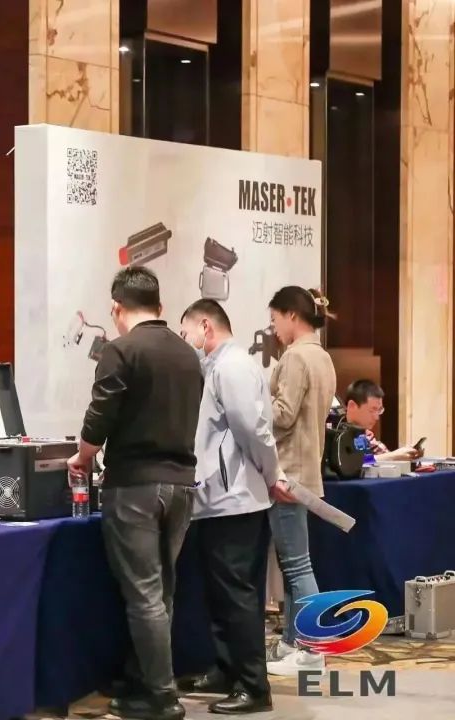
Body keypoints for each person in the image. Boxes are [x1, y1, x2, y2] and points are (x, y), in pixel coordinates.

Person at [67, 266, 202, 720]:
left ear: (116, 308)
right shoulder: (188, 355)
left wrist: (82, 457)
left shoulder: (120, 350)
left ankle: (161, 696)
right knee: (163, 591)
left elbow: (99, 418)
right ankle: (147, 682)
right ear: (160, 307)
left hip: (135, 486)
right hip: (182, 484)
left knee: (144, 592)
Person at [178, 299, 294, 714]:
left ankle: (253, 685)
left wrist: (271, 473)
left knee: (237, 594)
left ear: (205, 326)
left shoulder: (232, 366)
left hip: (236, 500)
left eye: (186, 332)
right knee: (220, 592)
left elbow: (252, 428)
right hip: (218, 499)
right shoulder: (217, 367)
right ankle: (227, 669)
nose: (185, 342)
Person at [265, 286, 336, 676]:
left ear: (291, 315)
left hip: (287, 473)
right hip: (306, 471)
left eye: (275, 319)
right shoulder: (321, 356)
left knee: (296, 566)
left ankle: (312, 649)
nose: (274, 328)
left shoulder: (294, 357)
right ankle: (294, 642)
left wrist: (252, 400)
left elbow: (283, 414)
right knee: (294, 564)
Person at [341, 379, 422, 462]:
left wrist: (406, 453)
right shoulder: (337, 431)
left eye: (379, 410)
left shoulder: (365, 434)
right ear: (352, 406)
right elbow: (355, 462)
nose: (377, 417)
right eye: (372, 410)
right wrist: (394, 456)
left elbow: (375, 457)